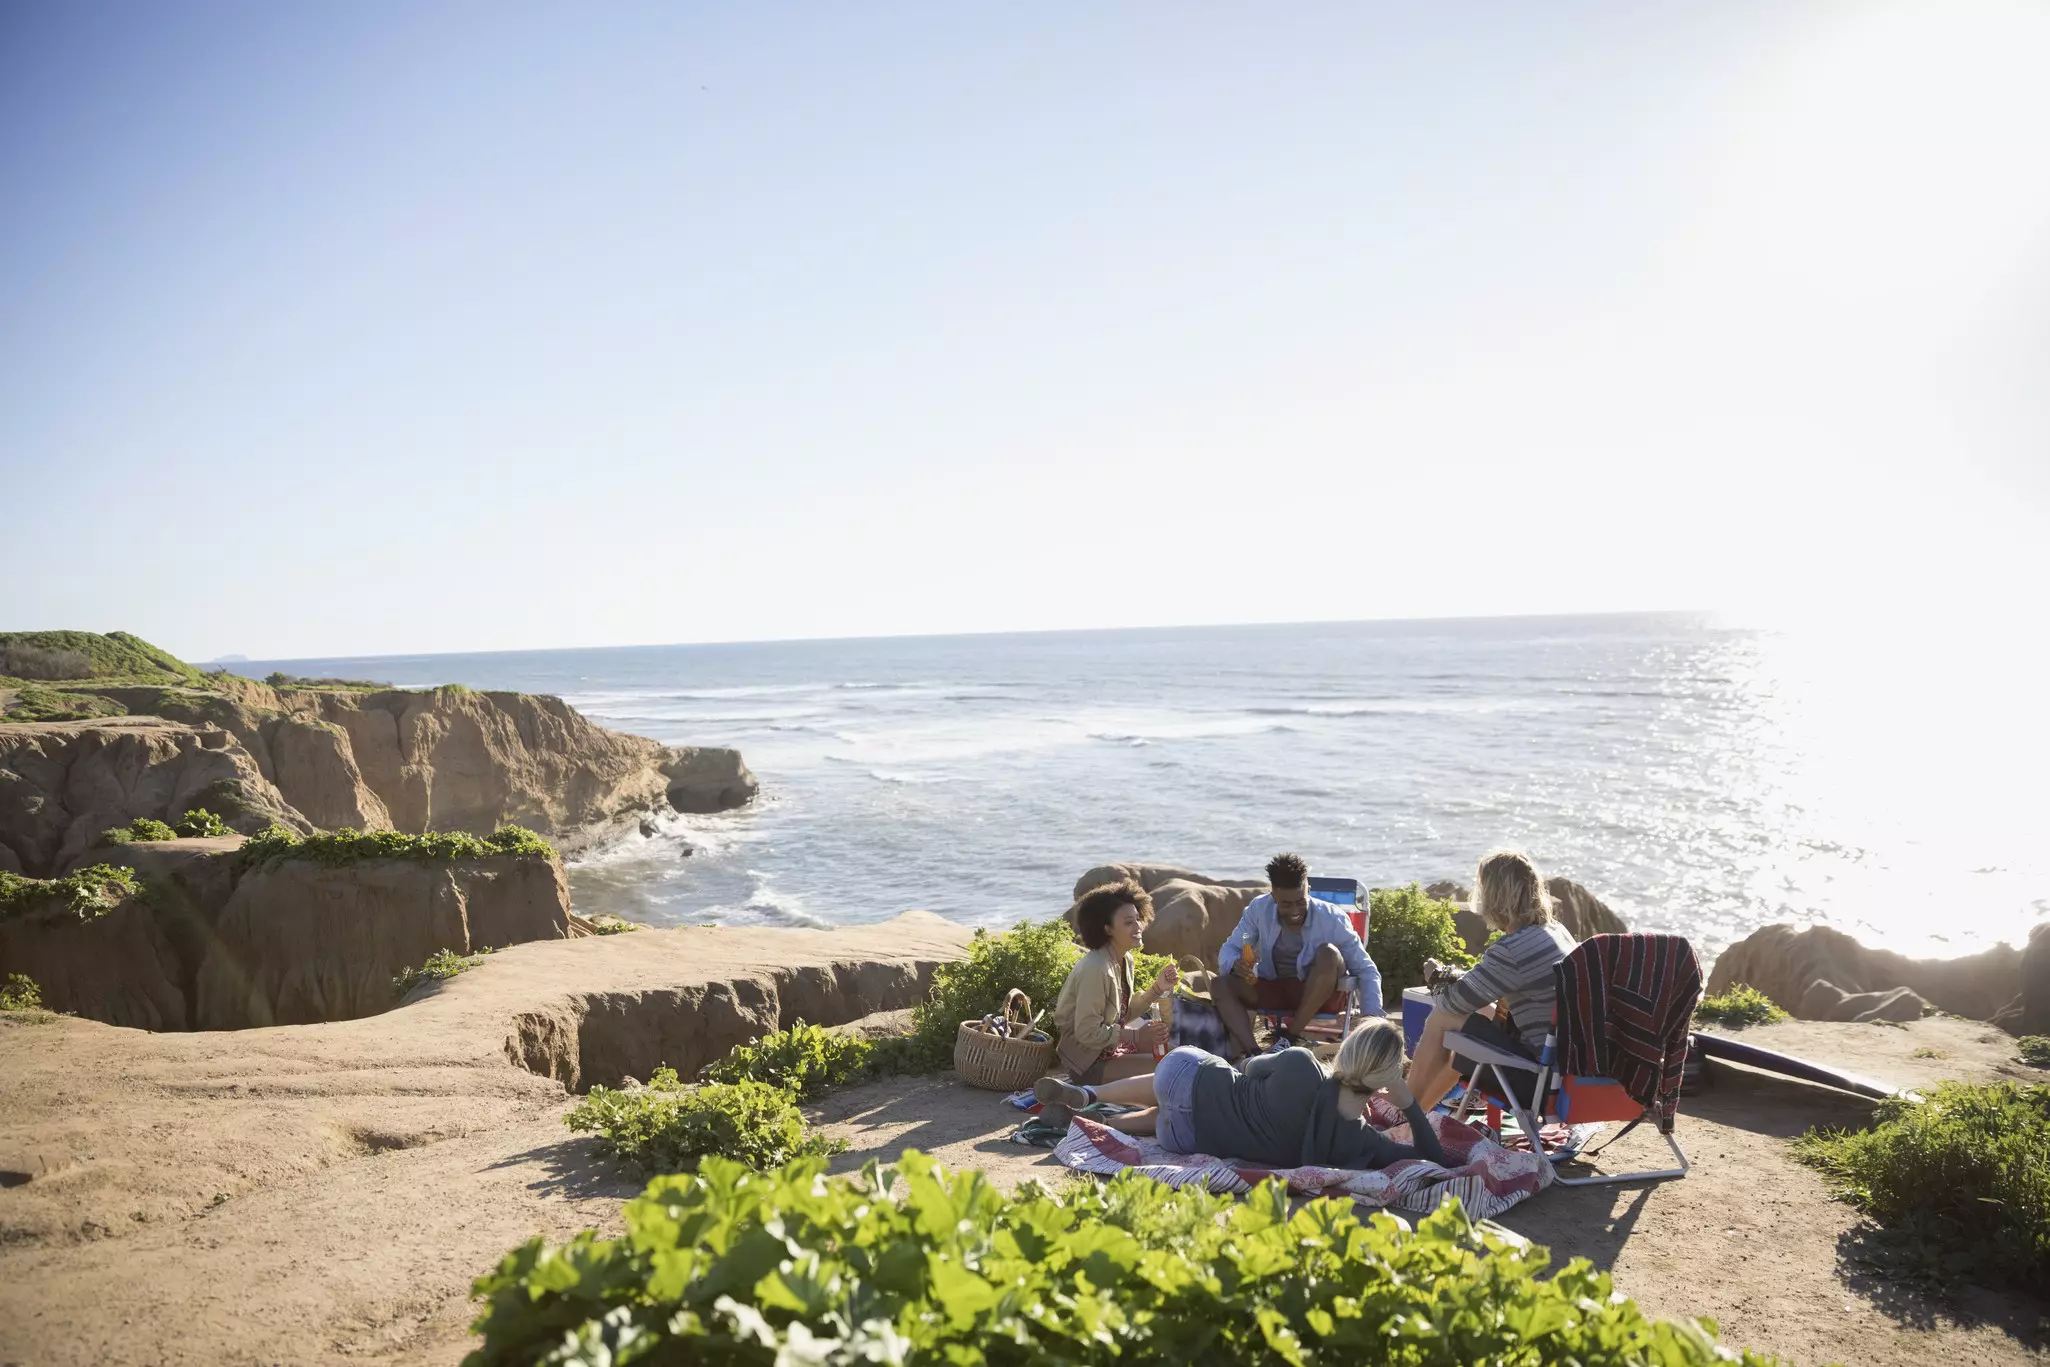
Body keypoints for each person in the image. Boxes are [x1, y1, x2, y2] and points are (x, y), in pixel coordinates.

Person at [1033, 1016, 1445, 1170]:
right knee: (1174, 1118)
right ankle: (1103, 1121)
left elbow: (1248, 1066)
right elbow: (1433, 1158)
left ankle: (1090, 1093)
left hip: (1183, 1079)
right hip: (1185, 1139)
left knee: (1194, 1080)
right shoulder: (1357, 1141)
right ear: (1386, 1079)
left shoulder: (1301, 1064)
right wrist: (1408, 1103)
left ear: (1349, 1050)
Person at [1406, 849, 1578, 1113]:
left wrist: (1436, 979)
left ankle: (1405, 1110)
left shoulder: (1513, 949)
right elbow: (1485, 986)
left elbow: (1452, 1004)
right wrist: (1460, 981)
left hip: (1540, 1083)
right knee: (1480, 1018)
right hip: (1570, 1074)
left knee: (1444, 1017)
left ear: (1494, 898)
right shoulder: (1555, 931)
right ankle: (1418, 1115)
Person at [1212, 853, 1383, 1059]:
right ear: (1273, 895)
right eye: (1286, 904)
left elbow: (1365, 969)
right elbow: (1229, 949)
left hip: (1321, 994)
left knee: (1328, 953)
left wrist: (1371, 1019)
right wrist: (1235, 965)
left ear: (1308, 889)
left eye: (1300, 902)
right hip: (1275, 989)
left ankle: (1289, 1038)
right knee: (1219, 984)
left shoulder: (1333, 918)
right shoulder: (1258, 909)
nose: (1294, 910)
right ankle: (1254, 1054)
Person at [1052, 879, 1182, 1084]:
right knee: (1176, 1069)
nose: (1138, 926)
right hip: (1089, 1064)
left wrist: (1157, 988)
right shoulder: (1096, 968)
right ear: (1108, 929)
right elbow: (1087, 1032)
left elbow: (1123, 1015)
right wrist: (1137, 1037)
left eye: (1138, 919)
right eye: (1128, 922)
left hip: (1112, 1049)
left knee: (1185, 1057)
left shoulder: (1123, 959)